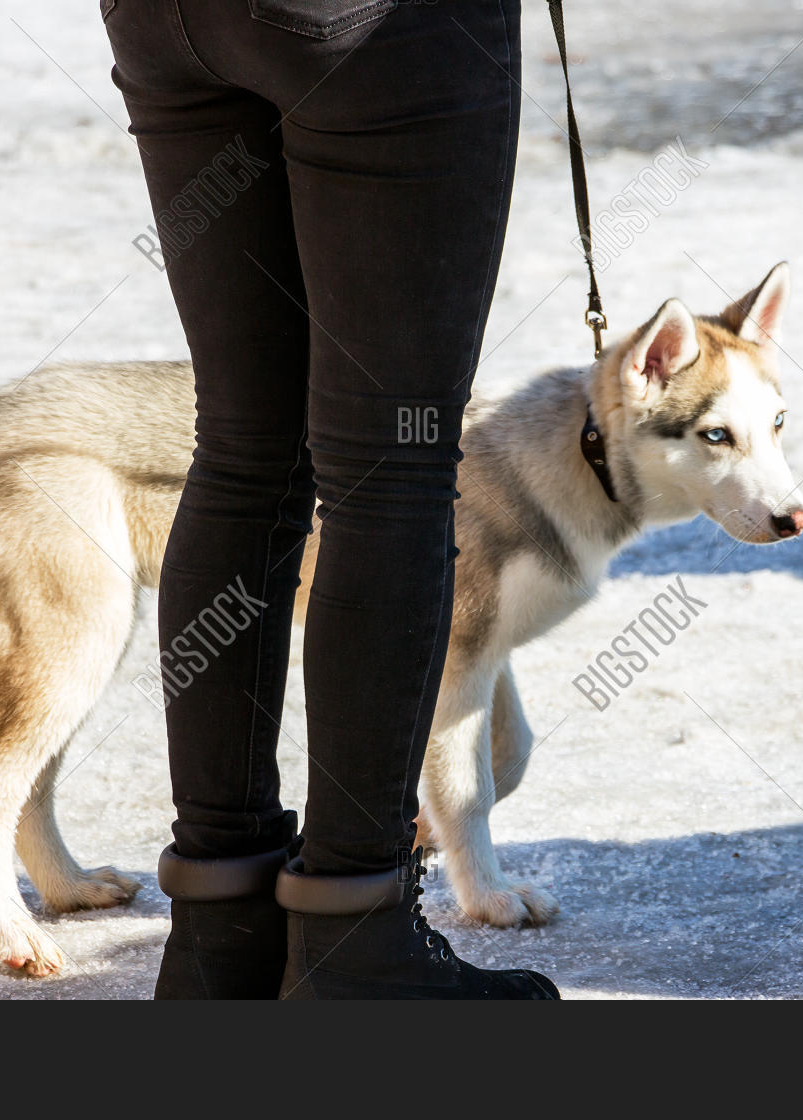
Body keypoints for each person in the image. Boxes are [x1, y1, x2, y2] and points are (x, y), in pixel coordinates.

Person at [102, 0, 558, 999]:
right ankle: (357, 938)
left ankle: (221, 932)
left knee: (243, 445)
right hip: (375, 27)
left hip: (166, 18)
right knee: (389, 466)